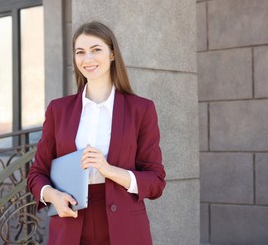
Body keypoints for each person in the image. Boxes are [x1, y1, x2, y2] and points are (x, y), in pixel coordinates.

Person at [27, 21, 166, 245]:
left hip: (125, 228)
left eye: (96, 50)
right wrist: (52, 196)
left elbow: (156, 180)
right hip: (70, 224)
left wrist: (108, 170)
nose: (87, 59)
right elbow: (37, 173)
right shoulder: (58, 110)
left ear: (112, 54)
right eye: (80, 52)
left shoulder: (141, 109)